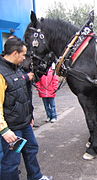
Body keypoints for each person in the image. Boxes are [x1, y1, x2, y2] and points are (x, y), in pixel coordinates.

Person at [0, 38, 53, 180]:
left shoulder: (17, 69)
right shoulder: (1, 73)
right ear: (15, 53)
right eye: (23, 55)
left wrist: (30, 116)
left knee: (31, 150)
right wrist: (4, 130)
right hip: (12, 129)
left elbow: (23, 95)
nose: (25, 58)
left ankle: (36, 177)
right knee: (11, 161)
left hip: (25, 123)